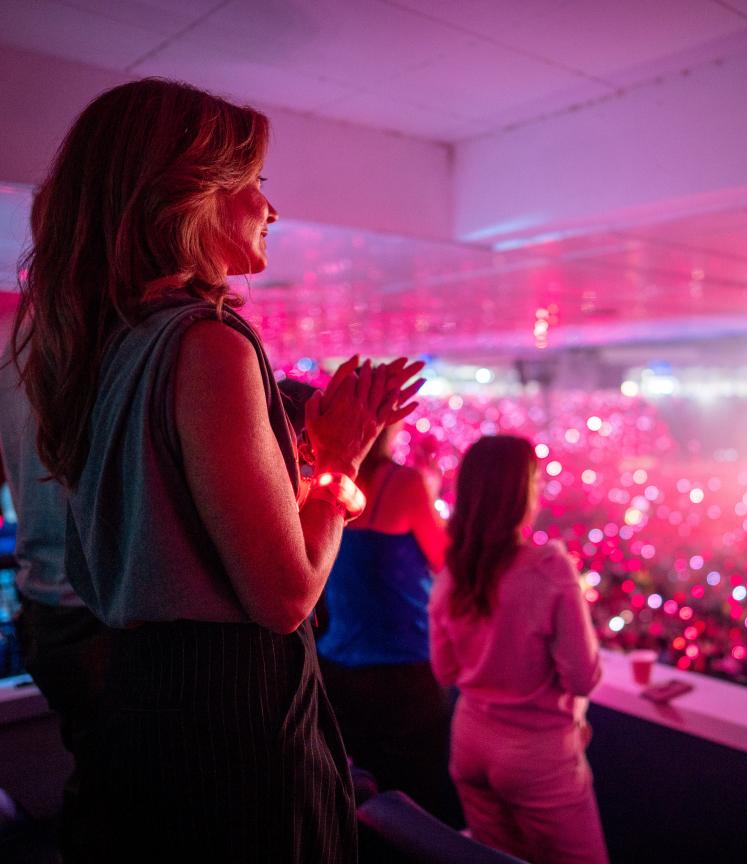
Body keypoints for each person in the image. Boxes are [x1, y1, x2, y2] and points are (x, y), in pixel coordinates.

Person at [14, 77, 423, 861]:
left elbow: (195, 540)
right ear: (189, 196)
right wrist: (341, 460)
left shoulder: (113, 343)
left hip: (145, 704)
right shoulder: (209, 342)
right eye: (255, 183)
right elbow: (283, 595)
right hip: (231, 717)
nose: (271, 207)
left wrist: (307, 463)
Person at [430, 435, 608, 864]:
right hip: (537, 754)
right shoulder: (550, 568)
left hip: (470, 741)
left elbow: (444, 671)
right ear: (520, 493)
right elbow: (583, 677)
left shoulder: (453, 571)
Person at [0, 334, 112, 862]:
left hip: (43, 607)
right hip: (94, 609)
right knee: (135, 790)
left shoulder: (13, 349)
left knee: (97, 774)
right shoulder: (103, 339)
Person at [318, 422, 461, 825]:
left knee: (359, 801)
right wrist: (429, 492)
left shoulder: (329, 480)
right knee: (417, 807)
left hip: (337, 666)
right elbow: (443, 559)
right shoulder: (405, 482)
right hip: (402, 670)